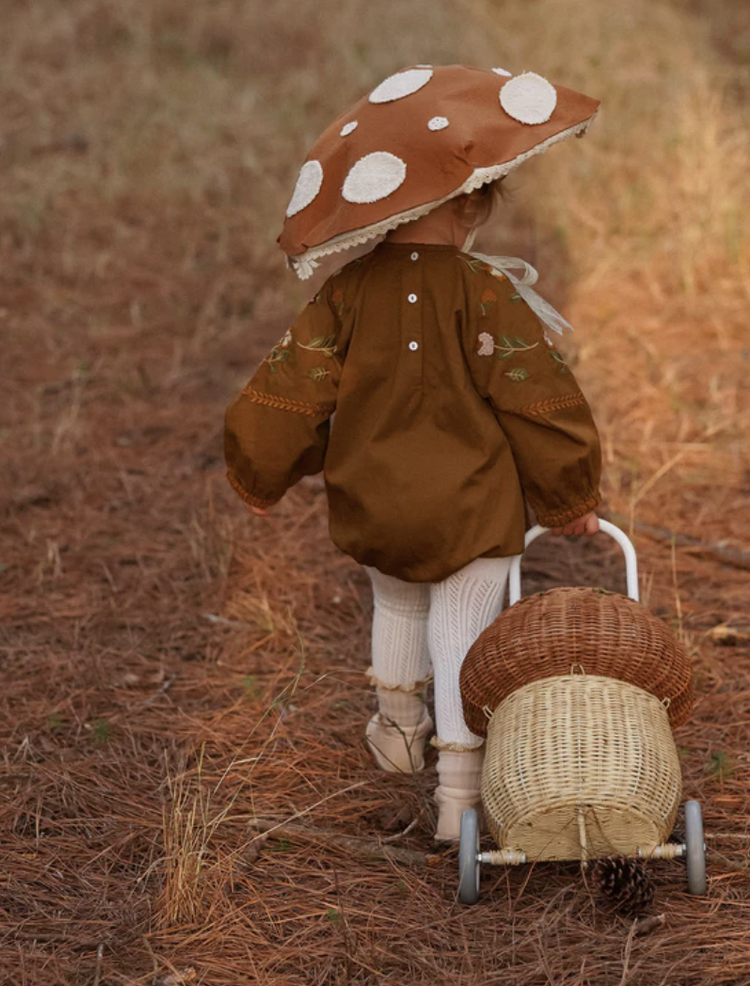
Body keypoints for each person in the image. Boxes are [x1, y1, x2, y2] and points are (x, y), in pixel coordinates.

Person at [224, 64, 602, 841]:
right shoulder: (485, 293)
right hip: (471, 504)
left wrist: (260, 470)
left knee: (396, 600)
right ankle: (458, 794)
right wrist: (571, 496)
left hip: (375, 499)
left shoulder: (343, 292)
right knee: (461, 625)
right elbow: (538, 402)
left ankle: (397, 730)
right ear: (469, 200)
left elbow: (292, 389)